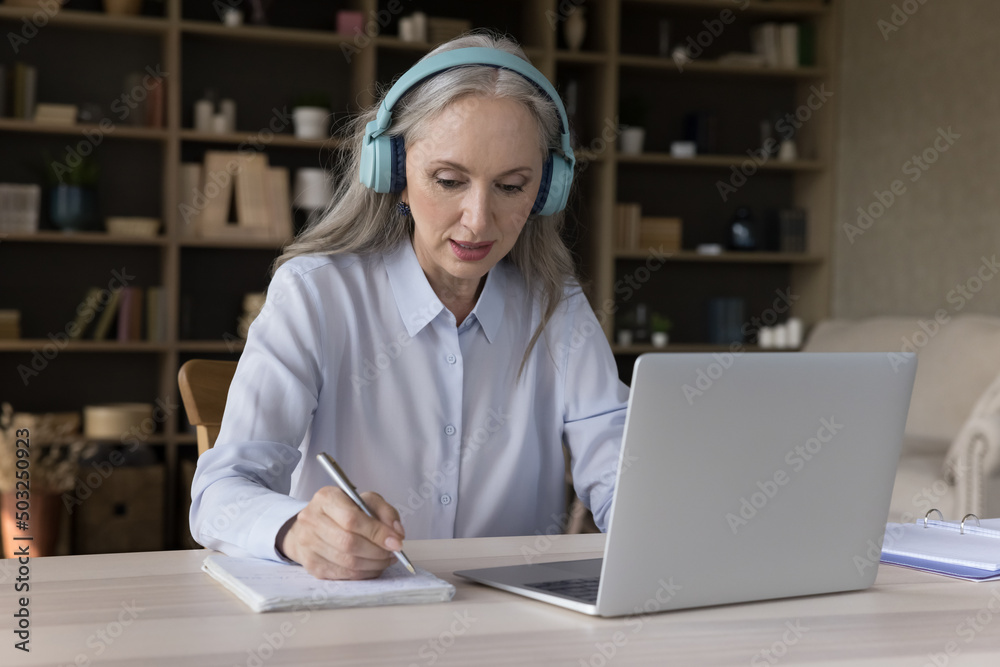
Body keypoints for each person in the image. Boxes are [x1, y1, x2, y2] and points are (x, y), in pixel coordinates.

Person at [189, 30, 628, 581]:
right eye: (448, 180)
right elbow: (220, 493)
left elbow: (620, 469)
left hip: (511, 617)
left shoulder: (556, 306)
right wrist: (298, 530)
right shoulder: (315, 294)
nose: (478, 220)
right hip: (353, 613)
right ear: (393, 173)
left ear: (547, 190)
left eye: (512, 186)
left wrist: (651, 519)